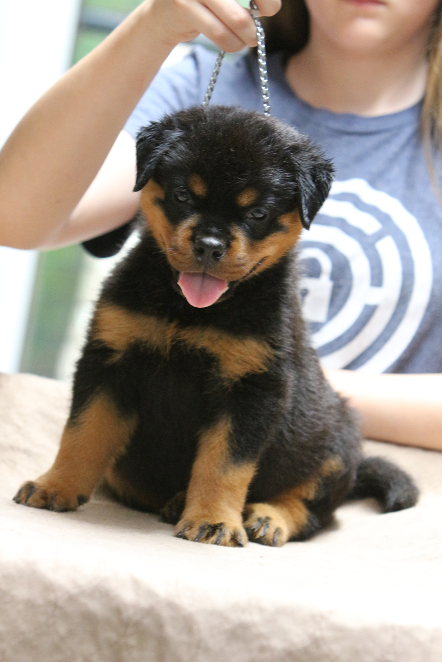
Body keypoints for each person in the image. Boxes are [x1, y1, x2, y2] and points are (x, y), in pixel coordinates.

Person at [0, 0, 441, 451]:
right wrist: (152, 26)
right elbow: (13, 217)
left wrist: (274, 384)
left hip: (332, 474)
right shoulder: (195, 89)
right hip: (152, 464)